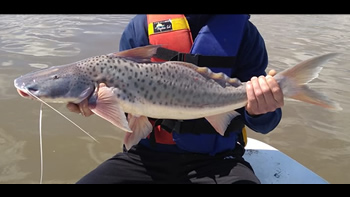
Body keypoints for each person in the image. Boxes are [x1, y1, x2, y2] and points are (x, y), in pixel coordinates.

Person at [67, 14, 284, 184]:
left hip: (217, 160)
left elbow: (267, 123)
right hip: (145, 157)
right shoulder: (141, 26)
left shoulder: (244, 33)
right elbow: (125, 103)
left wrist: (260, 110)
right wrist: (97, 105)